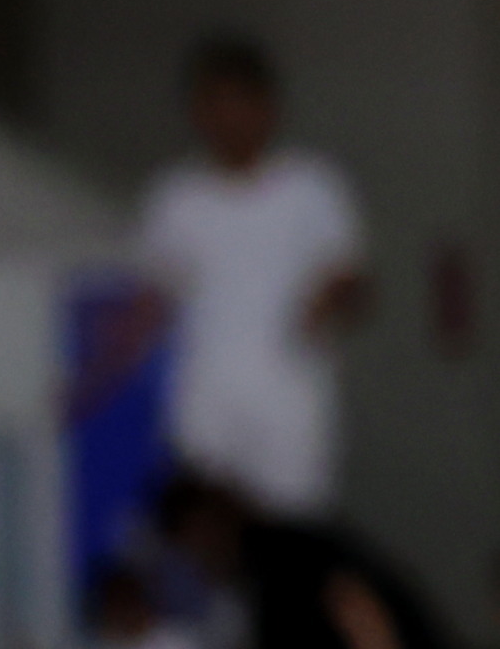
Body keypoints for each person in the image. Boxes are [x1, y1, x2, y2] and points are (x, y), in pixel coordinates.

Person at [133, 38, 366, 523]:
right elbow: (150, 300)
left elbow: (351, 279)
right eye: (215, 105)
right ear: (197, 113)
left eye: (241, 104)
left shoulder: (311, 187)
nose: (229, 119)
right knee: (209, 533)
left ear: (267, 109)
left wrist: (328, 303)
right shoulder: (175, 198)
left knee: (292, 535)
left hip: (288, 402)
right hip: (206, 402)